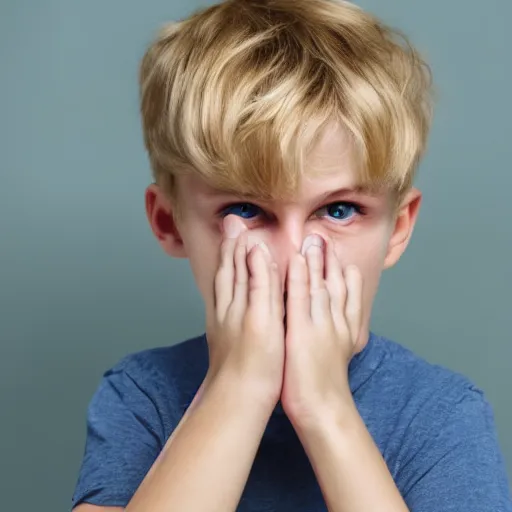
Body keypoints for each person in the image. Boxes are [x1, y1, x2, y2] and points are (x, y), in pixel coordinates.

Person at [71, 0, 512, 510]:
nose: (292, 259)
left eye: (340, 210)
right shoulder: (141, 398)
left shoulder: (441, 414)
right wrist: (239, 387)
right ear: (170, 223)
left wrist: (325, 408)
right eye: (245, 208)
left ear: (398, 228)